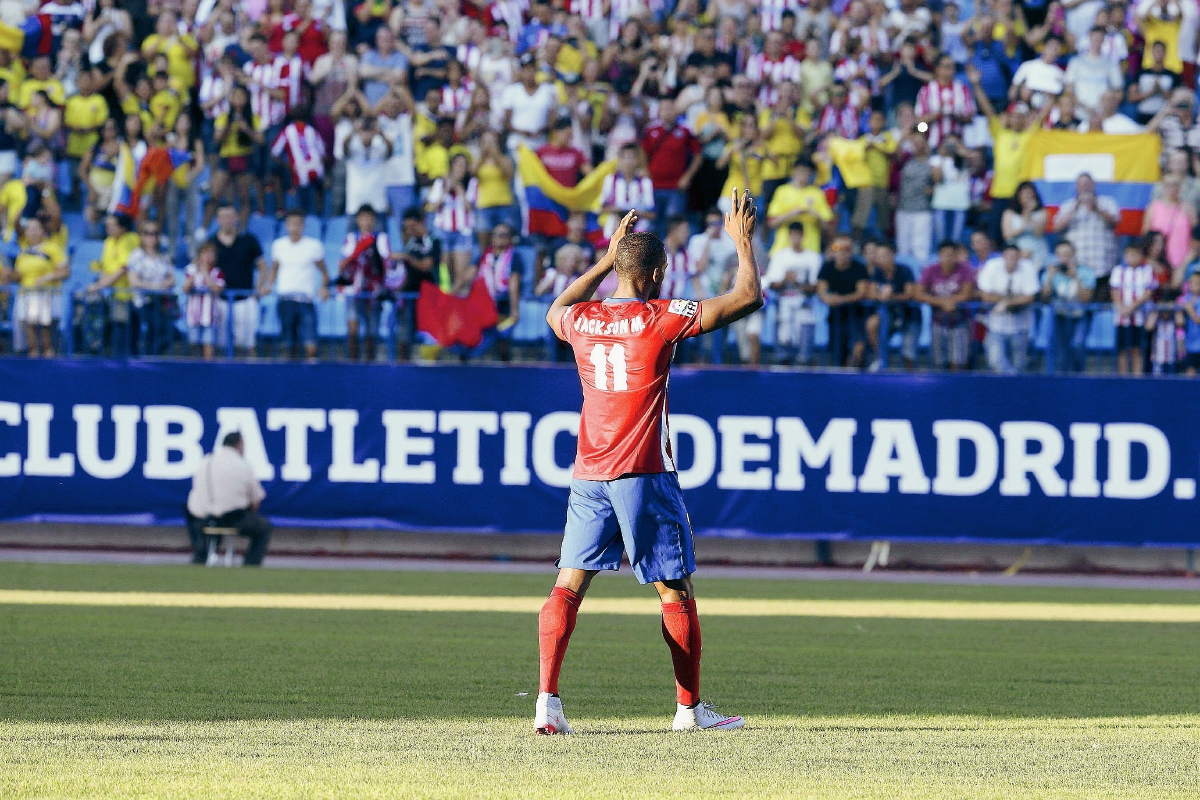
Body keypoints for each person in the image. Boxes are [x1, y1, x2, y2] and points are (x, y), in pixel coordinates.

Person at [535, 191, 761, 735]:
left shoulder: (584, 319)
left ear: (621, 267)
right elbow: (747, 296)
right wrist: (741, 240)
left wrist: (606, 259)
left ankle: (547, 705)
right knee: (674, 591)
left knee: (567, 587)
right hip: (643, 472)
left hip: (589, 472)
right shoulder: (660, 317)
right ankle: (689, 711)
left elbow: (553, 311)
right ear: (659, 272)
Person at [185, 431, 272, 567]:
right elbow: (256, 500)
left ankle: (200, 557)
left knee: (204, 523)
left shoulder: (205, 461)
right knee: (264, 527)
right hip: (233, 519)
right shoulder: (242, 465)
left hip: (202, 519)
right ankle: (251, 565)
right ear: (239, 445)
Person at [264, 209, 330, 361]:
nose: (294, 227)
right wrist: (268, 285)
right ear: (286, 226)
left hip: (306, 301)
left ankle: (311, 378)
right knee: (288, 346)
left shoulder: (314, 246)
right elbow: (274, 269)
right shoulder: (278, 245)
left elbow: (324, 272)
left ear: (303, 226)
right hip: (285, 300)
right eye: (291, 223)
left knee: (310, 345)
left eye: (298, 224)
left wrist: (323, 287)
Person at [5, 217, 68, 357]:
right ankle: (32, 356)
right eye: (28, 229)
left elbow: (65, 271)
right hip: (25, 294)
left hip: (45, 295)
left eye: (35, 228)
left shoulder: (53, 248)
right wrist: (10, 274)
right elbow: (20, 275)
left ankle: (48, 357)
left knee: (45, 330)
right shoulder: (24, 251)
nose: (32, 232)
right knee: (29, 327)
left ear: (42, 231)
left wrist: (47, 277)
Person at [1052, 173, 1120, 300]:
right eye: (1081, 185)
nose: (1085, 187)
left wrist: (1097, 208)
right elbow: (1057, 227)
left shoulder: (1107, 202)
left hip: (1103, 267)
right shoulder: (1068, 205)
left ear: (1094, 185)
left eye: (1087, 184)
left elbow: (1115, 223)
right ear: (1076, 188)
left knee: (1100, 307)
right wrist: (1075, 208)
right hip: (1078, 269)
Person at [761, 221, 821, 365]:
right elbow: (772, 283)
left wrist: (799, 282)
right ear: (789, 236)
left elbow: (816, 286)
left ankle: (804, 361)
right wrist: (785, 280)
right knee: (783, 340)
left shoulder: (812, 257)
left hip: (804, 304)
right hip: (783, 303)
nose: (795, 239)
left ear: (802, 236)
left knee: (804, 344)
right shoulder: (780, 256)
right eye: (792, 235)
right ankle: (782, 359)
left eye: (797, 235)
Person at [212, 204, 267, 356]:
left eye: (230, 216)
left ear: (236, 217)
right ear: (218, 220)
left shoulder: (249, 240)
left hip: (245, 298)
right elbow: (204, 267)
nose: (227, 220)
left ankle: (251, 377)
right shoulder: (211, 242)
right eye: (223, 217)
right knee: (219, 345)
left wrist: (257, 289)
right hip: (220, 300)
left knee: (248, 345)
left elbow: (262, 265)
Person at [977, 243, 1040, 374]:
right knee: (995, 361)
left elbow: (1030, 296)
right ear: (1003, 256)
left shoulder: (1027, 267)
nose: (1012, 260)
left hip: (1021, 326)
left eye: (1015, 257)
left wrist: (1006, 303)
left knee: (1019, 364)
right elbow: (985, 295)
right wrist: (1011, 300)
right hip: (995, 325)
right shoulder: (992, 266)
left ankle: (1015, 390)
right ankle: (1006, 386)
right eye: (1009, 256)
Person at [914, 240, 975, 371]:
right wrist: (943, 303)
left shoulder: (965, 269)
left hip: (960, 321)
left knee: (958, 363)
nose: (948, 258)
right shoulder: (930, 270)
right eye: (945, 255)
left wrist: (951, 301)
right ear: (939, 255)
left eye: (952, 255)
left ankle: (958, 389)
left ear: (956, 256)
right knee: (939, 363)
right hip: (938, 321)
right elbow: (919, 294)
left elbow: (967, 293)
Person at [1041, 240, 1096, 373]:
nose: (1064, 258)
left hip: (1080, 316)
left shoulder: (1086, 272)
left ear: (1074, 254)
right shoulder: (1051, 273)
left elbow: (1086, 299)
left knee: (1078, 346)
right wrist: (1049, 279)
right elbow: (1044, 299)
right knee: (1061, 350)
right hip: (1059, 317)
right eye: (1060, 255)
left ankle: (1078, 377)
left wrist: (1076, 277)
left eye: (1067, 254)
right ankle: (1062, 381)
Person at [816, 232, 870, 368]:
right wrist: (828, 298)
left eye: (846, 249)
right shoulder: (827, 267)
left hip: (857, 315)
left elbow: (862, 292)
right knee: (838, 355)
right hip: (835, 316)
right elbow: (821, 292)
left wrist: (840, 299)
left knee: (858, 351)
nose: (841, 252)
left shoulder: (859, 267)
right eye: (836, 248)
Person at [865, 241, 919, 370]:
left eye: (884, 255)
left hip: (909, 315)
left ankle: (911, 381)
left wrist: (891, 296)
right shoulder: (877, 272)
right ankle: (881, 357)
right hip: (888, 314)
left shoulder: (905, 270)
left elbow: (909, 294)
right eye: (878, 256)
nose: (881, 259)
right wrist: (881, 296)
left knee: (908, 356)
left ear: (893, 255)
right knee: (872, 324)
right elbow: (872, 293)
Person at [1111, 239, 1155, 375]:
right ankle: (1123, 377)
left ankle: (1137, 377)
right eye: (1130, 254)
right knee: (1123, 349)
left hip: (1140, 318)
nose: (1133, 257)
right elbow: (1114, 290)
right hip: (1122, 317)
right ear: (1124, 255)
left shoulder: (1147, 270)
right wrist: (1121, 307)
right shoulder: (1118, 270)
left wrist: (1132, 307)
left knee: (1138, 349)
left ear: (1141, 256)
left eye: (1136, 254)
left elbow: (1148, 292)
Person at [183, 240, 226, 360]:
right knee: (193, 344)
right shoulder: (191, 269)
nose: (209, 256)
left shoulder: (217, 272)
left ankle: (208, 369)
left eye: (212, 253)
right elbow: (185, 288)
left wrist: (205, 273)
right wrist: (195, 271)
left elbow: (217, 289)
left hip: (210, 317)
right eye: (206, 252)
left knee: (208, 344)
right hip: (193, 316)